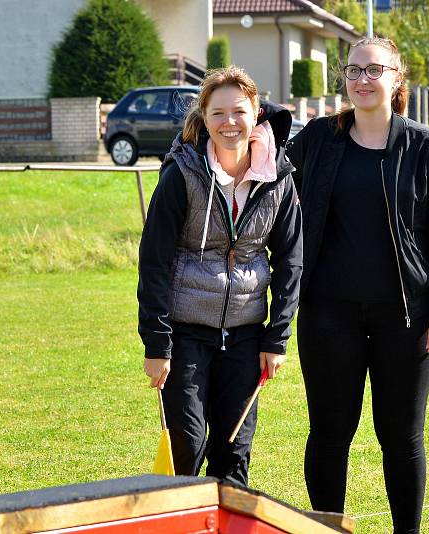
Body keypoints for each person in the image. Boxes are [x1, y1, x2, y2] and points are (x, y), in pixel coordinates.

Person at [286, 37, 429, 533]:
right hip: (329, 316)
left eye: (373, 70)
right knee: (329, 433)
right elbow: (265, 160)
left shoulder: (425, 147)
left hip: (406, 319)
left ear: (396, 79)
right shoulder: (319, 141)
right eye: (353, 71)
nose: (362, 80)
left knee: (402, 437)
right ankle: (328, 527)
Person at [138, 66, 302, 486]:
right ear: (204, 118)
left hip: (247, 335)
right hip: (185, 332)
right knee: (187, 444)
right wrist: (158, 345)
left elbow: (291, 261)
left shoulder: (279, 179)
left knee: (233, 450)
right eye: (218, 113)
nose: (229, 123)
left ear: (256, 113)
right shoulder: (180, 175)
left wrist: (276, 338)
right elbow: (154, 262)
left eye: (239, 112)